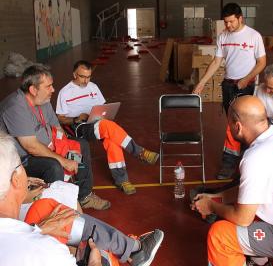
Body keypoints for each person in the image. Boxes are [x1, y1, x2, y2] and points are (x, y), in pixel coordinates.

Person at [0, 132, 164, 266]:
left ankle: (132, 249)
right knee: (102, 254)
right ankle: (132, 250)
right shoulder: (45, 251)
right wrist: (93, 262)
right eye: (21, 166)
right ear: (15, 179)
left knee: (44, 208)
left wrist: (37, 229)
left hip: (29, 235)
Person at [192, 96, 273, 266]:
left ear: (237, 126)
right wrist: (216, 197)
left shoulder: (255, 157)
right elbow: (251, 189)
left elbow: (243, 218)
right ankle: (259, 261)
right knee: (249, 209)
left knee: (221, 235)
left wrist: (211, 206)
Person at [0, 64, 110, 210]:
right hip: (23, 159)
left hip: (48, 146)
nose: (53, 90)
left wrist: (66, 147)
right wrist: (64, 161)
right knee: (54, 166)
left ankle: (84, 196)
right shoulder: (15, 107)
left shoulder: (43, 100)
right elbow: (31, 146)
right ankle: (56, 209)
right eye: (49, 86)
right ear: (33, 90)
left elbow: (57, 127)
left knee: (80, 146)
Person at [56, 60, 159, 195]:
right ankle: (139, 152)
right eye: (82, 77)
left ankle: (122, 180)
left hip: (97, 122)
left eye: (88, 77)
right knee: (107, 126)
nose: (86, 81)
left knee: (111, 139)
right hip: (79, 126)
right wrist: (76, 118)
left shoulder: (93, 87)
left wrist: (102, 115)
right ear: (74, 74)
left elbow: (103, 108)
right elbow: (60, 118)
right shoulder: (65, 92)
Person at [193, 3, 266, 179]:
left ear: (240, 18)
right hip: (228, 85)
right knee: (233, 126)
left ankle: (239, 162)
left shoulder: (254, 36)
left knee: (243, 125)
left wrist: (246, 79)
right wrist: (201, 83)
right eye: (226, 22)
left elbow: (262, 63)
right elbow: (216, 62)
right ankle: (236, 159)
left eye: (231, 22)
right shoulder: (223, 36)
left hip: (246, 86)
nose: (228, 26)